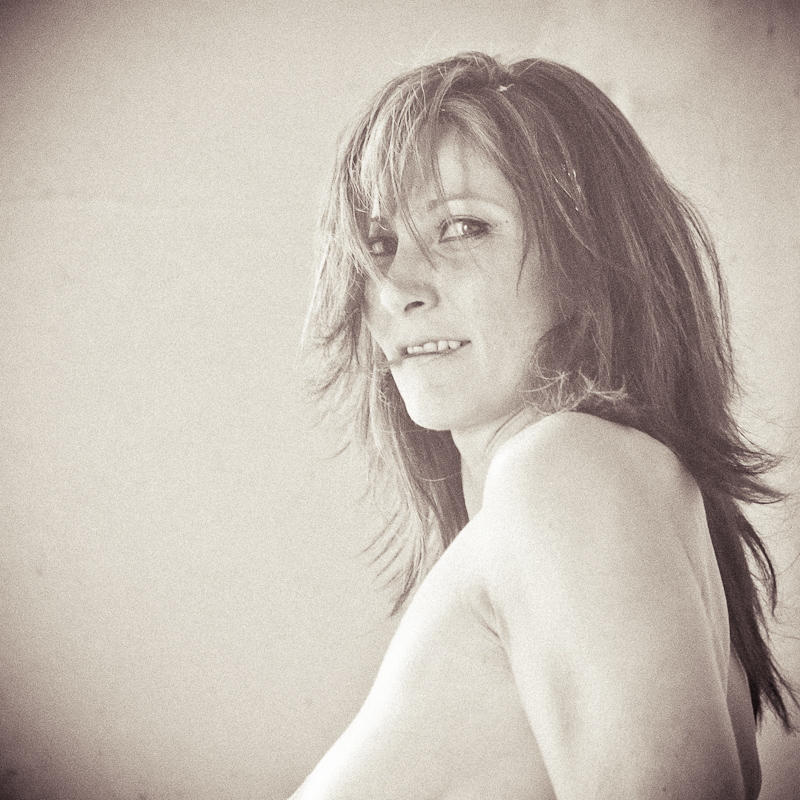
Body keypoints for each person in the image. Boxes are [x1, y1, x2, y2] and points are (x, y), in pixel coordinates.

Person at [295, 52, 795, 799]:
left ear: (588, 265)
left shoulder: (565, 467)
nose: (397, 288)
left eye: (462, 227)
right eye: (377, 244)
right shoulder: (567, 494)